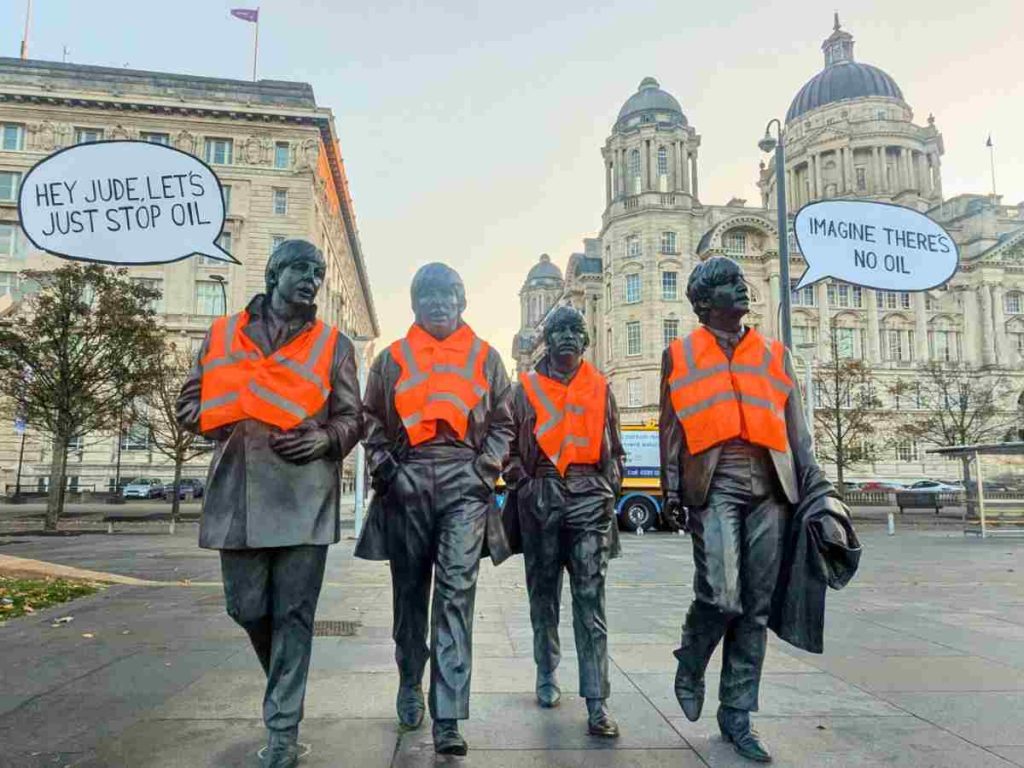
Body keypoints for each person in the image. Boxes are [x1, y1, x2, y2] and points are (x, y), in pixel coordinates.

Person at [176, 239, 363, 768]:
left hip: (305, 494)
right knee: (247, 608)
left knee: (296, 616)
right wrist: (232, 415)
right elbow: (189, 404)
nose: (312, 279)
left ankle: (283, 727)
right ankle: (283, 682)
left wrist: (327, 440)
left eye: (320, 272)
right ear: (273, 273)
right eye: (302, 269)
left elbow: (353, 418)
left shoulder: (334, 344)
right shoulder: (223, 334)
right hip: (237, 491)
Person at [659, 256, 852, 763]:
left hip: (772, 486)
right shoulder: (678, 354)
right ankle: (692, 657)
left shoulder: (775, 354)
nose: (741, 289)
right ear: (704, 302)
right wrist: (671, 490)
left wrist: (821, 493)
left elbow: (798, 433)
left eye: (741, 282)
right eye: (728, 284)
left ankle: (738, 713)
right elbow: (671, 427)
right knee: (721, 594)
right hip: (713, 482)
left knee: (756, 606)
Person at [354, 262, 513, 756]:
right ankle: (409, 680)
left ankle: (448, 713)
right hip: (407, 478)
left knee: (455, 597)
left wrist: (482, 470)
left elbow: (505, 424)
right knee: (409, 595)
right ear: (415, 304)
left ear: (462, 301)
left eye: (447, 295)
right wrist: (387, 469)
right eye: (428, 296)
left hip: (464, 483)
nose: (438, 303)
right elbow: (371, 419)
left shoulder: (486, 358)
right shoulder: (392, 358)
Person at [504, 305, 625, 737]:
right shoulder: (525, 390)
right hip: (540, 497)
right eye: (560, 331)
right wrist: (523, 480)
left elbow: (617, 447)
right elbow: (507, 445)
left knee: (591, 601)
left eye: (576, 330)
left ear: (585, 340)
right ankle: (546, 672)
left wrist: (607, 486)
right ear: (547, 341)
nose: (569, 337)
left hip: (590, 496)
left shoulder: (601, 387)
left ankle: (597, 700)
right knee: (544, 596)